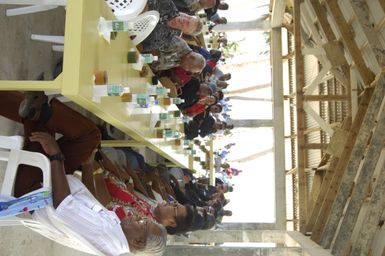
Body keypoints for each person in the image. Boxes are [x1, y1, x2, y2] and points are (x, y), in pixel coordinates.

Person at [0, 91, 166, 255]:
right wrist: (87, 166)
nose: (138, 218)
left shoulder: (105, 235)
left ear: (137, 241)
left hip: (37, 188)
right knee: (91, 138)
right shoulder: (117, 234)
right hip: (57, 181)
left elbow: (63, 204)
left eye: (143, 224)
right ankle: (42, 112)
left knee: (38, 121)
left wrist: (55, 154)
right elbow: (89, 201)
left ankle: (41, 113)